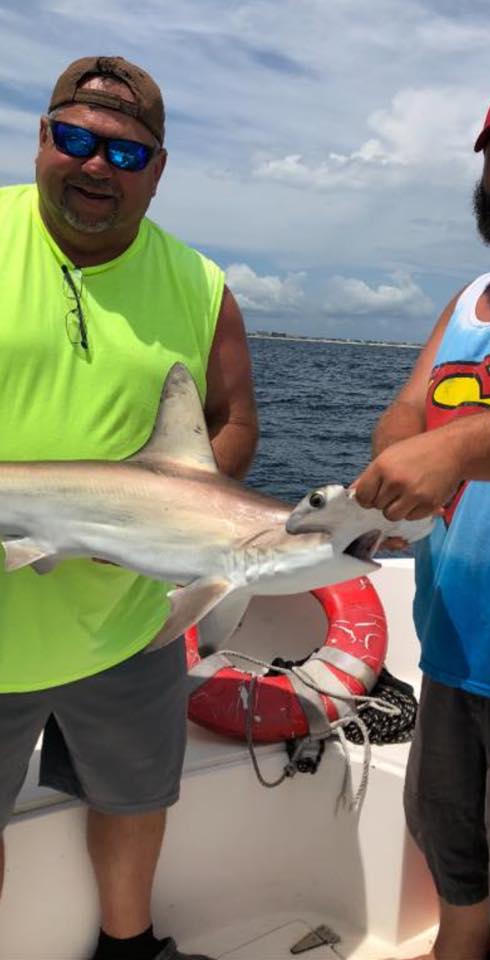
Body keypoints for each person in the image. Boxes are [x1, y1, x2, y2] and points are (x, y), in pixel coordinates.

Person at [0, 56, 258, 960]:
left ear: (157, 168)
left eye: (124, 153)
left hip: (130, 619)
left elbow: (232, 421)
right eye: (76, 139)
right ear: (42, 138)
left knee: (135, 801)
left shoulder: (199, 284)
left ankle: (127, 947)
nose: (95, 165)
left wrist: (171, 523)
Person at [352, 77, 490, 960]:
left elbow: (445, 441)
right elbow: (403, 412)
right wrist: (400, 462)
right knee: (452, 854)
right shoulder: (470, 297)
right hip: (455, 641)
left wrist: (454, 450)